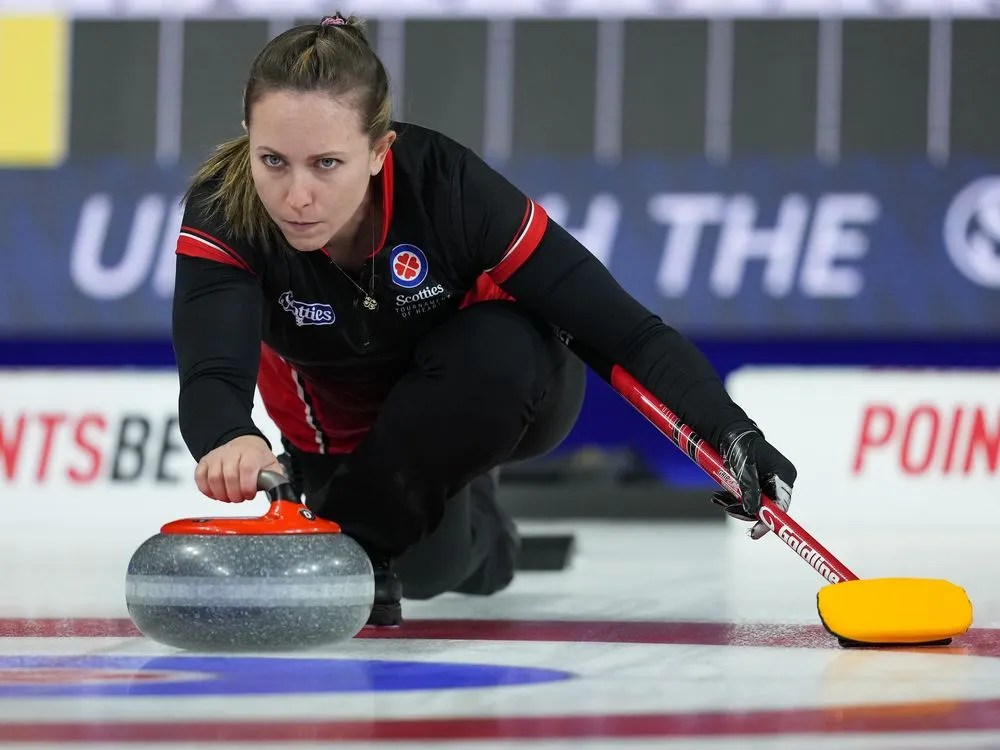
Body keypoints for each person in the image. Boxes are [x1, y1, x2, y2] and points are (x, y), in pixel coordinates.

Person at [172, 12, 797, 627]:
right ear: (247, 139)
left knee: (499, 350)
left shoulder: (450, 189)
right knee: (428, 574)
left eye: (326, 163)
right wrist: (229, 436)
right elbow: (211, 374)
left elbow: (622, 330)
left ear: (378, 152)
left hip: (493, 385)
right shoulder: (226, 205)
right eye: (273, 160)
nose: (296, 196)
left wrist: (733, 433)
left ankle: (387, 520)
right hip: (342, 426)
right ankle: (476, 530)